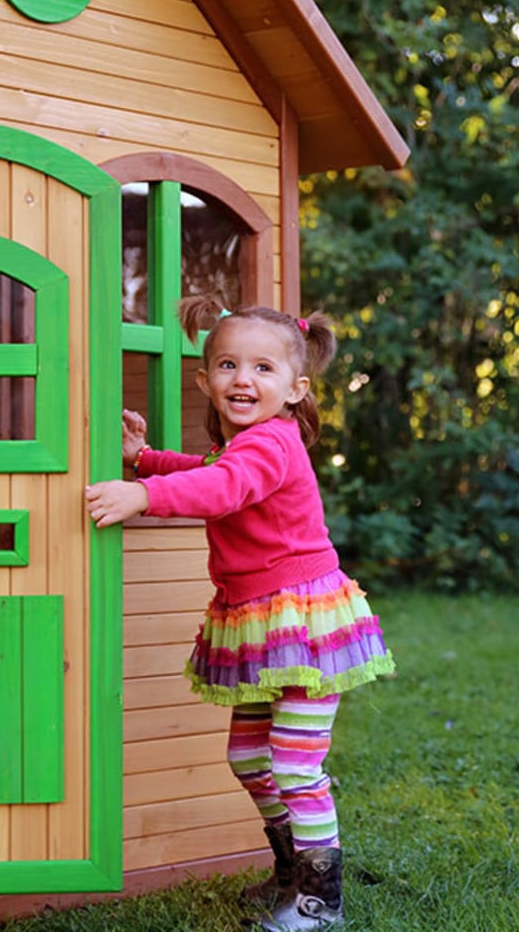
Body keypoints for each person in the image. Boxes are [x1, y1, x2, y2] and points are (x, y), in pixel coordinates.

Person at [86, 298, 395, 932]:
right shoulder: (245, 445)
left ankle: (319, 899)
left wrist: (142, 493)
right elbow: (208, 469)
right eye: (228, 364)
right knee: (249, 757)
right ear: (205, 380)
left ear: (294, 389)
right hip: (260, 621)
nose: (243, 380)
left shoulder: (273, 444)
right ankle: (289, 872)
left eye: (262, 368)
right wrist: (145, 460)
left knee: (293, 763)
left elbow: (222, 488)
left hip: (302, 625)